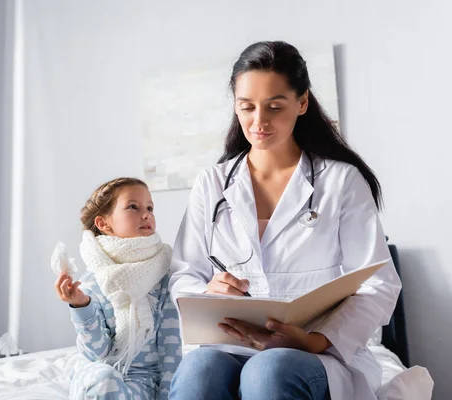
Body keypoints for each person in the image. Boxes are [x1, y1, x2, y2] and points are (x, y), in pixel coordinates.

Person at [168, 41, 402, 400]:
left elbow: (378, 284)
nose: (258, 122)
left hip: (314, 351)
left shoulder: (341, 182)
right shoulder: (212, 183)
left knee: (269, 370)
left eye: (274, 107)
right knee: (197, 373)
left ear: (302, 103)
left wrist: (313, 339)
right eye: (246, 107)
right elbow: (185, 274)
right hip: (228, 345)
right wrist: (208, 292)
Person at [55, 177, 181, 400]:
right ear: (103, 224)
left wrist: (167, 395)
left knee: (110, 386)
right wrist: (81, 305)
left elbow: (170, 350)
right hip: (99, 369)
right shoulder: (93, 280)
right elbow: (98, 353)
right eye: (133, 206)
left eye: (150, 208)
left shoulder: (164, 276)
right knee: (104, 380)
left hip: (144, 378)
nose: (146, 214)